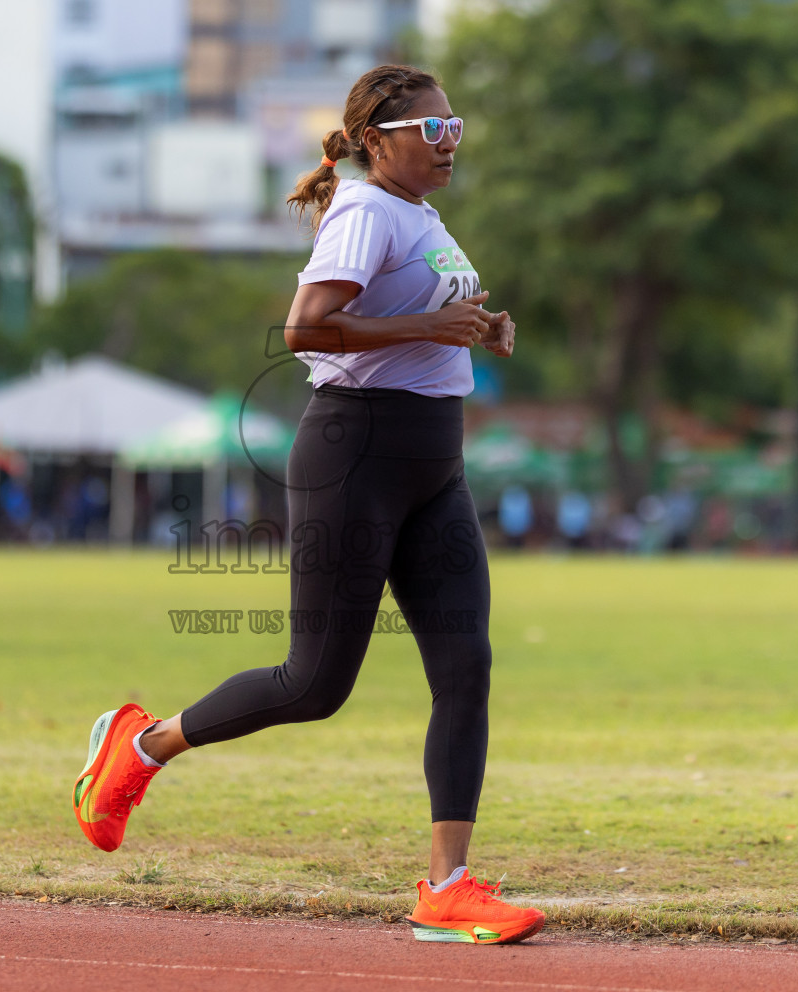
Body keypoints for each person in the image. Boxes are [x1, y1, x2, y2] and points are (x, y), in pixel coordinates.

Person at [70, 64, 546, 946]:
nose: (450, 144)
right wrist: (423, 330)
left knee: (466, 665)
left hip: (435, 467)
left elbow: (425, 318)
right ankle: (138, 748)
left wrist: (481, 326)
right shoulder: (366, 209)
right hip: (354, 456)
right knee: (314, 683)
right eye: (432, 131)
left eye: (457, 129)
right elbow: (304, 329)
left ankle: (448, 886)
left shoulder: (424, 216)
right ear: (378, 139)